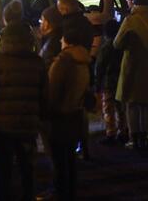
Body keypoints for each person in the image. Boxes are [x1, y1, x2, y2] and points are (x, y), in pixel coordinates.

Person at [0, 7, 48, 201]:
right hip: (27, 125)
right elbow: (44, 95)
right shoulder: (37, 62)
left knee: (3, 172)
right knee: (27, 170)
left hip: (2, 127)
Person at [115, 0, 148, 149]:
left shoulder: (130, 20)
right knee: (145, 104)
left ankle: (134, 138)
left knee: (132, 103)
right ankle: (145, 136)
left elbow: (117, 43)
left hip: (132, 64)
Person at [46, 26, 92, 200]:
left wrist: (47, 111)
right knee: (70, 158)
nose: (59, 41)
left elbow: (53, 89)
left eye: (62, 39)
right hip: (75, 113)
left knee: (59, 159)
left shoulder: (64, 61)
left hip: (60, 115)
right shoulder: (84, 60)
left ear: (67, 41)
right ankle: (69, 191)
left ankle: (59, 191)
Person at [95, 19, 127, 145]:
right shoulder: (121, 45)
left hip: (108, 82)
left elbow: (99, 67)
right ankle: (122, 131)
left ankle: (111, 132)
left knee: (108, 109)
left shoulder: (106, 47)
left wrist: (97, 85)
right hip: (120, 80)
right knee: (121, 108)